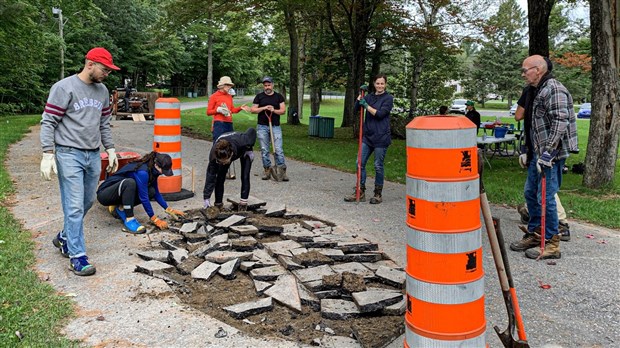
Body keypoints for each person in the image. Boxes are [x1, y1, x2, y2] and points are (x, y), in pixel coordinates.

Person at [40, 47, 120, 276]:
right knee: (74, 206)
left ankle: (65, 236)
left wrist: (111, 149)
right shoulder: (64, 88)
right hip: (68, 153)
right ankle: (77, 256)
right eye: (105, 69)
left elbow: (104, 123)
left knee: (87, 202)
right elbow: (48, 122)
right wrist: (48, 153)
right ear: (90, 64)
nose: (107, 74)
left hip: (92, 154)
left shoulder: (103, 91)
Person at [509, 55, 578, 260]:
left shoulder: (553, 88)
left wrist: (549, 151)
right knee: (530, 193)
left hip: (550, 155)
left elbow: (561, 120)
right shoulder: (534, 90)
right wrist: (526, 149)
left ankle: (551, 243)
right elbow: (530, 123)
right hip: (536, 153)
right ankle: (535, 233)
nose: (523, 74)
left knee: (545, 198)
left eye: (525, 70)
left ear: (538, 70)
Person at [96, 152, 186, 233]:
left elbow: (156, 193)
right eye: (164, 171)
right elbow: (144, 197)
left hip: (119, 193)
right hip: (105, 194)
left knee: (151, 191)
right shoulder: (143, 172)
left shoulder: (153, 170)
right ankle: (129, 219)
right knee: (130, 183)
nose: (163, 173)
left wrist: (168, 209)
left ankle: (119, 208)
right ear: (157, 165)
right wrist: (154, 219)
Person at [344, 74, 394, 204]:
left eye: (382, 83)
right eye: (378, 83)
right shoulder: (369, 97)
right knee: (359, 163)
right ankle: (360, 191)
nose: (380, 86)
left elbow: (380, 114)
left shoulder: (388, 98)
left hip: (381, 137)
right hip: (368, 136)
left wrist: (366, 106)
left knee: (378, 165)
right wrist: (358, 99)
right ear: (374, 84)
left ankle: (378, 194)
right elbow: (355, 110)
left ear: (385, 85)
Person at [203, 128, 257, 211]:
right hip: (227, 150)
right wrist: (206, 197)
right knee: (220, 177)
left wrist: (249, 148)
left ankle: (243, 204)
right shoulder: (214, 156)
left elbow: (252, 131)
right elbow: (211, 177)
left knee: (245, 175)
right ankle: (218, 204)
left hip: (244, 149)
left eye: (225, 161)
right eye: (221, 161)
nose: (223, 163)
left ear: (231, 155)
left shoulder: (244, 141)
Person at [207, 76, 250, 180]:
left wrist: (240, 108)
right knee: (217, 145)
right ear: (221, 86)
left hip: (228, 123)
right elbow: (208, 112)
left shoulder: (229, 97)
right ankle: (214, 169)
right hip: (219, 123)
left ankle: (225, 170)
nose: (229, 87)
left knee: (229, 146)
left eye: (230, 85)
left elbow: (232, 110)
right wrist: (218, 109)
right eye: (227, 85)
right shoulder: (214, 96)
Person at [250, 77, 288, 181]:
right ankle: (267, 170)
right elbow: (253, 110)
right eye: (265, 85)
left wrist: (273, 110)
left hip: (275, 126)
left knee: (278, 149)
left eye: (269, 85)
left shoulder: (279, 97)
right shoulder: (259, 97)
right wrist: (263, 108)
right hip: (262, 126)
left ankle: (282, 171)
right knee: (264, 150)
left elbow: (283, 110)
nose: (267, 87)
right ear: (264, 86)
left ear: (273, 85)